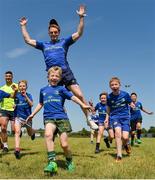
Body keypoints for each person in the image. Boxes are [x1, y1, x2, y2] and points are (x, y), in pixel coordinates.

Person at [19, 5, 98, 131]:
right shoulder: (44, 45)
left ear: (59, 32)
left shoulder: (64, 42)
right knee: (55, 102)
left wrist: (81, 18)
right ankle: (53, 127)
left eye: (55, 32)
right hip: (53, 76)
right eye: (51, 32)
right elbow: (28, 40)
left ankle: (89, 119)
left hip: (65, 73)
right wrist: (23, 26)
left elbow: (79, 33)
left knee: (80, 95)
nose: (53, 34)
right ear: (49, 33)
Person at [26, 66, 91, 174]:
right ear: (48, 77)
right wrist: (32, 114)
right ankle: (52, 163)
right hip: (49, 117)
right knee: (47, 135)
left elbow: (73, 97)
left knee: (64, 144)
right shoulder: (43, 90)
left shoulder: (62, 89)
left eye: (57, 76)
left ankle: (69, 160)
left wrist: (83, 104)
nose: (54, 77)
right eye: (52, 75)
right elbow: (41, 103)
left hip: (62, 118)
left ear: (60, 78)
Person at [106, 77, 135, 162]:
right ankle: (119, 155)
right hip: (114, 117)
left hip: (125, 117)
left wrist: (132, 104)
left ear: (119, 85)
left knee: (125, 137)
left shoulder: (125, 94)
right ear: (110, 86)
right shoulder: (109, 97)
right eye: (112, 85)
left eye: (116, 84)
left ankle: (126, 145)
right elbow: (108, 109)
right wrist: (107, 118)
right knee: (118, 134)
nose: (114, 86)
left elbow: (130, 102)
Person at [14, 80, 35, 159]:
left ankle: (32, 133)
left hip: (27, 118)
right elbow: (15, 103)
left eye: (23, 86)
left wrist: (25, 96)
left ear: (26, 87)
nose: (22, 87)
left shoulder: (29, 95)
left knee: (29, 133)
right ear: (18, 87)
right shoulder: (16, 96)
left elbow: (32, 104)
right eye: (20, 86)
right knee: (17, 132)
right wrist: (14, 106)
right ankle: (17, 150)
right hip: (18, 117)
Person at [0, 71, 18, 152]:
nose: (8, 77)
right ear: (5, 77)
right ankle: (5, 146)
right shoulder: (2, 88)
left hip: (14, 110)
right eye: (6, 76)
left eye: (9, 76)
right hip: (4, 109)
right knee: (3, 127)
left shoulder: (16, 86)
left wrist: (16, 104)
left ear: (12, 77)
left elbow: (20, 97)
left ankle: (17, 143)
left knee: (14, 130)